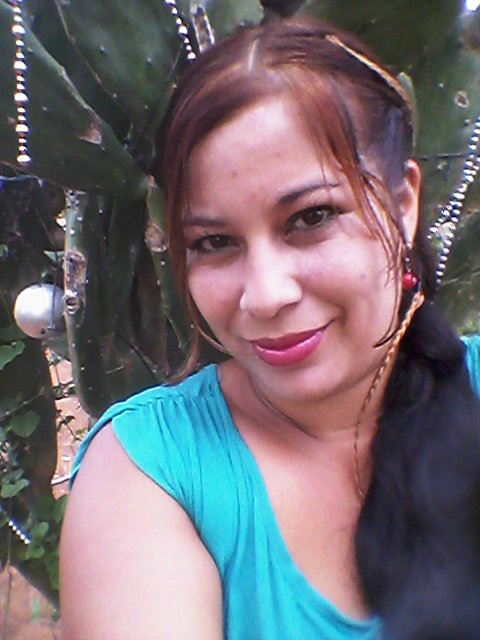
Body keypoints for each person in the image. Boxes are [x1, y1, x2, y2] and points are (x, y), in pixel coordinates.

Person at [59, 17, 480, 640]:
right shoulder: (150, 471)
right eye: (214, 242)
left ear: (403, 206)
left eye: (311, 217)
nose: (265, 295)